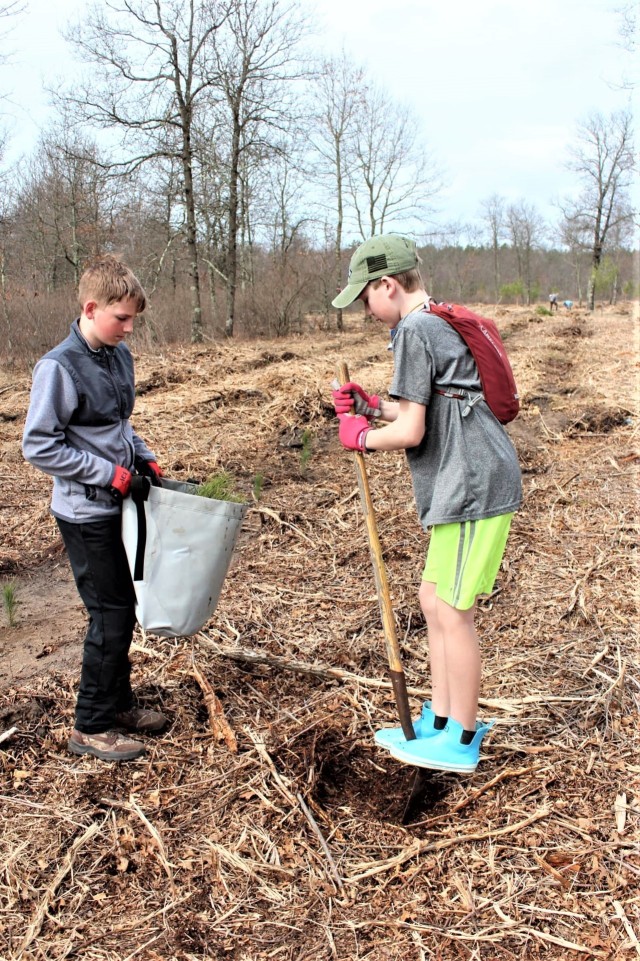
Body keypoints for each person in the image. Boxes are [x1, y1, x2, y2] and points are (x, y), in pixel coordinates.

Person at [331, 235, 522, 774]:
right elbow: (426, 408)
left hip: (472, 485)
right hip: (460, 482)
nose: (365, 310)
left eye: (365, 297)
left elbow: (413, 431)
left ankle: (462, 738)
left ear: (387, 285)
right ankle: (439, 720)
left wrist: (360, 437)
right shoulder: (428, 322)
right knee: (433, 601)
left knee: (453, 611)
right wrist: (370, 407)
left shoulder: (414, 329)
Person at [22, 255, 167, 762]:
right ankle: (90, 725)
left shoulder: (116, 355)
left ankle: (119, 703)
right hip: (85, 512)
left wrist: (143, 457)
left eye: (133, 319)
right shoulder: (58, 367)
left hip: (120, 505)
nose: (129, 329)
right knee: (109, 614)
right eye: (121, 318)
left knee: (125, 606)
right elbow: (39, 445)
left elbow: (118, 426)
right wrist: (108, 474)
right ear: (90, 307)